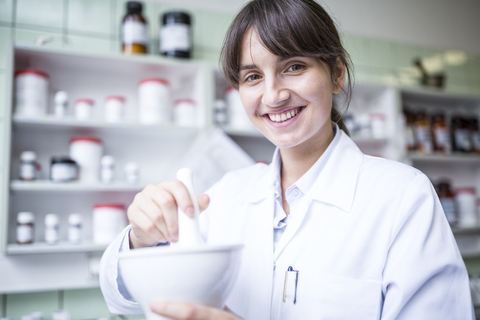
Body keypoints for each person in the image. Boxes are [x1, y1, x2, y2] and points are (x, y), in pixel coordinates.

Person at [99, 0, 474, 319]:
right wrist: (140, 239)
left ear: (336, 73)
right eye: (252, 76)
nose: (273, 95)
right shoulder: (228, 195)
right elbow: (120, 296)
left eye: (293, 66)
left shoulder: (402, 197)